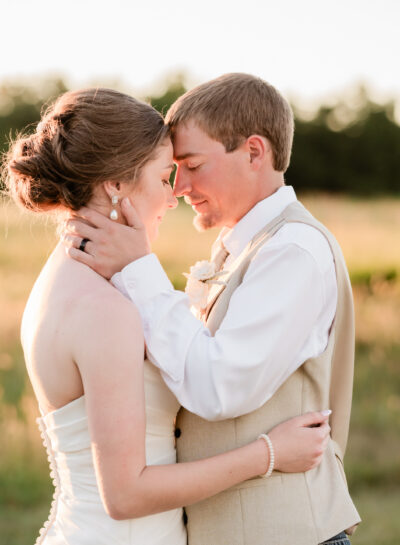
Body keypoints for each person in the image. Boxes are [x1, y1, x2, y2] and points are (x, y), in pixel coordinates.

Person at [3, 87, 331, 545]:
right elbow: (126, 494)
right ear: (116, 184)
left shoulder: (61, 282)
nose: (174, 194)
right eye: (163, 177)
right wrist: (269, 453)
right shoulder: (105, 310)